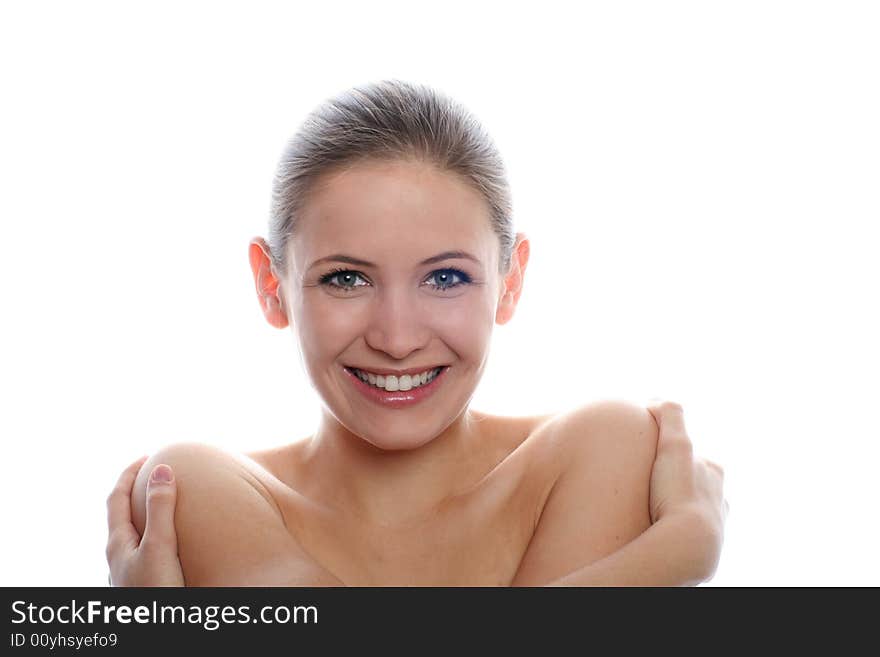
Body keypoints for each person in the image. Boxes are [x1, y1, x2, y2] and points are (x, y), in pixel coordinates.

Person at [105, 80, 728, 586]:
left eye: (447, 277)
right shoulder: (191, 489)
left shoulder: (600, 451)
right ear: (273, 285)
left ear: (510, 282)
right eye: (346, 279)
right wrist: (678, 548)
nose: (397, 339)